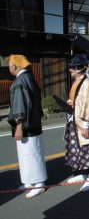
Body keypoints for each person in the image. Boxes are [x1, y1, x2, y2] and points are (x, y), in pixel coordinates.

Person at [7, 54, 47, 198]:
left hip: (26, 125)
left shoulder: (20, 81)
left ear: (15, 66)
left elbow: (20, 105)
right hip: (33, 122)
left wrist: (19, 126)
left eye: (10, 64)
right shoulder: (28, 78)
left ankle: (39, 183)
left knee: (31, 154)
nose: (9, 67)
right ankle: (30, 181)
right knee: (29, 154)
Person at [64, 55, 89, 192]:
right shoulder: (77, 81)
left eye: (72, 68)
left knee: (86, 151)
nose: (70, 70)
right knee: (77, 149)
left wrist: (85, 126)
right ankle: (82, 173)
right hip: (75, 119)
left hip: (83, 123)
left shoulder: (87, 84)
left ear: (78, 68)